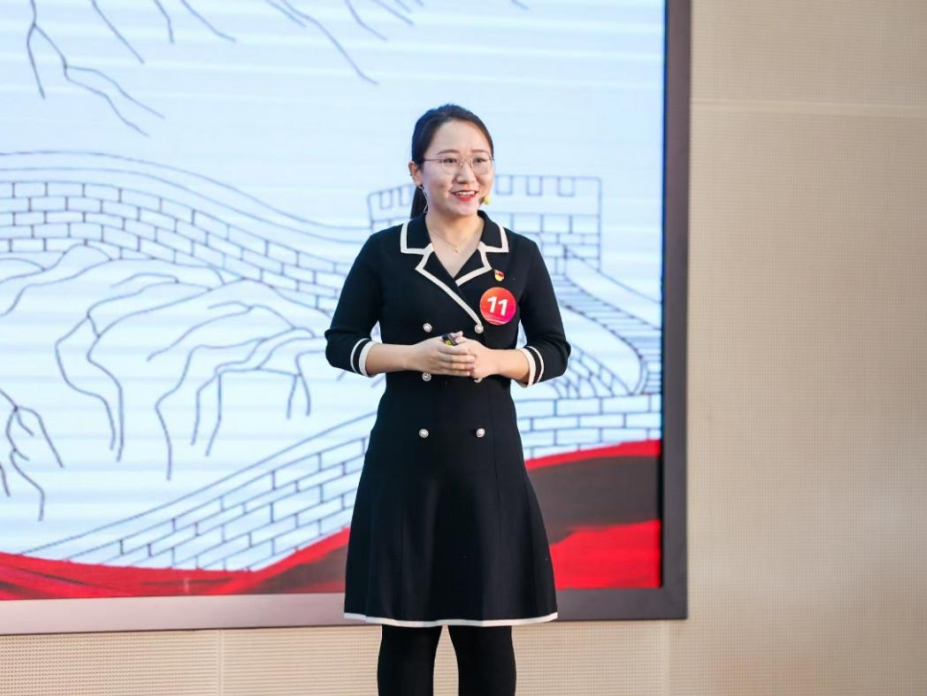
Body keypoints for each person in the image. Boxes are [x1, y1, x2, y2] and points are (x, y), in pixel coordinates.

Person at [325, 104, 571, 696]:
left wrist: (494, 361)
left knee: (487, 635)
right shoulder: (386, 251)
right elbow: (341, 344)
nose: (467, 175)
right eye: (450, 160)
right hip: (406, 465)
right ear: (416, 172)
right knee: (407, 635)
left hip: (487, 468)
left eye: (480, 161)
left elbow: (554, 349)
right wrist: (414, 356)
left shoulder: (518, 253)